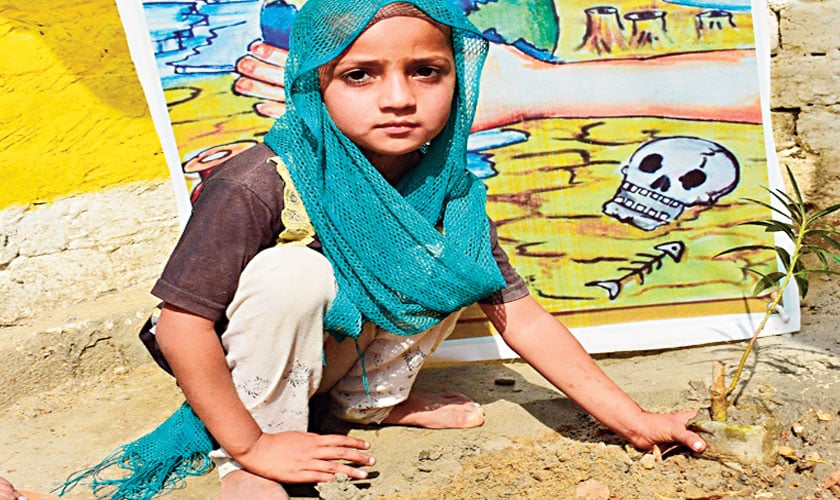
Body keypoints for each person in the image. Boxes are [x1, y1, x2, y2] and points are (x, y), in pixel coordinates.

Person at [149, 1, 706, 498]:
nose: (399, 99)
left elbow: (522, 319)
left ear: (457, 78)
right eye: (359, 75)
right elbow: (181, 328)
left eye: (426, 71)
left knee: (451, 259)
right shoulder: (259, 182)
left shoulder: (447, 192)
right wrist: (251, 447)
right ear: (314, 84)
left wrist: (634, 421)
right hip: (240, 375)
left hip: (329, 356)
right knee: (292, 272)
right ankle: (259, 455)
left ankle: (365, 404)